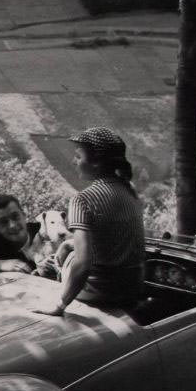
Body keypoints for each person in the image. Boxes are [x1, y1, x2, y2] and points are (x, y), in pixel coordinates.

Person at [35, 127, 145, 316]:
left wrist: (60, 306)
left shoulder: (82, 200)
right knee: (69, 248)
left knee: (63, 259)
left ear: (96, 163)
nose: (73, 161)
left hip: (100, 292)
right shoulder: (130, 191)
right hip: (132, 288)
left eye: (78, 157)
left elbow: (83, 263)